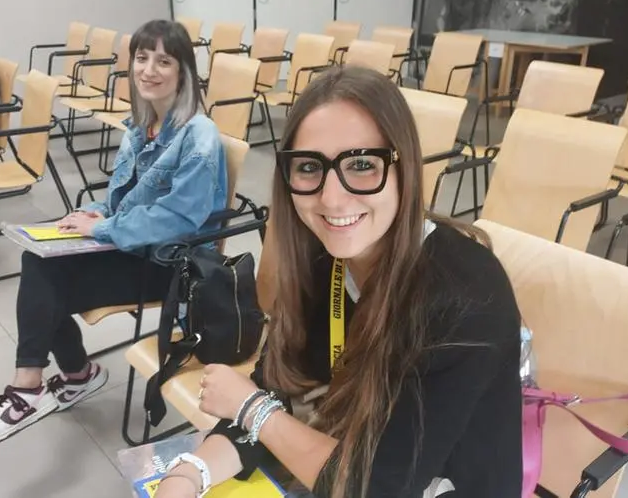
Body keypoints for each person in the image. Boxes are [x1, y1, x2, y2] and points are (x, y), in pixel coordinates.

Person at [154, 66, 524, 498]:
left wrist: (252, 409)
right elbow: (277, 388)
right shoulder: (324, 252)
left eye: (363, 164)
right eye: (310, 167)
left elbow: (378, 486)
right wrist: (189, 473)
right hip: (345, 460)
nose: (331, 198)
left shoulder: (467, 294)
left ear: (405, 169)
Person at [0, 19, 228, 454]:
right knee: (40, 261)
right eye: (142, 58)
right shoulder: (143, 126)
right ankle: (60, 379)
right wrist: (96, 212)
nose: (149, 70)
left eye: (164, 61)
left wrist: (102, 227)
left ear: (184, 72)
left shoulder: (199, 134)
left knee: (46, 287)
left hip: (170, 264)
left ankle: (46, 383)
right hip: (132, 245)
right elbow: (126, 198)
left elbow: (180, 217)